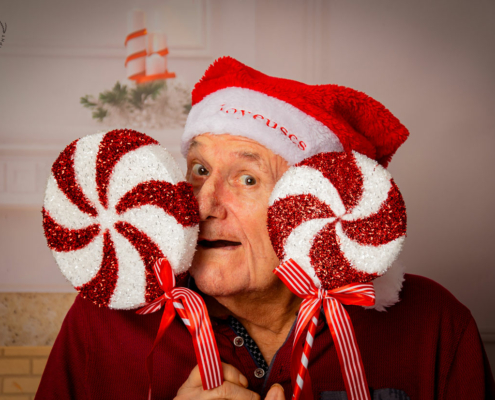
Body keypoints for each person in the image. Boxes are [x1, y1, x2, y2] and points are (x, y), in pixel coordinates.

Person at [35, 57, 495, 400]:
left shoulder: (433, 325)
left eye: (247, 178)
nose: (204, 204)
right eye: (198, 170)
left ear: (313, 205)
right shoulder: (105, 321)